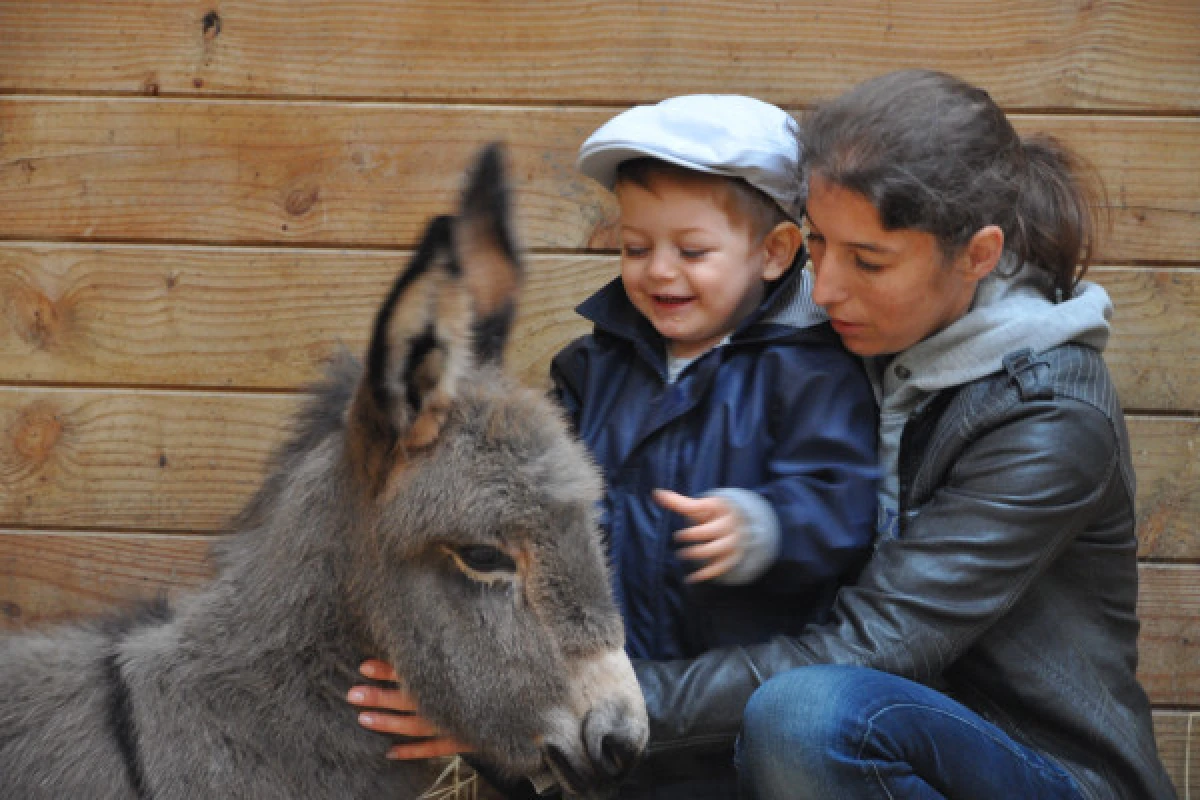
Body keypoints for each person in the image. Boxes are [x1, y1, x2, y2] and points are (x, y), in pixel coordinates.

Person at [630, 70, 1178, 799]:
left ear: (978, 255)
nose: (823, 288)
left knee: (806, 715)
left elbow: (874, 652)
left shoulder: (1051, 418)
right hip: (883, 750)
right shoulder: (846, 343)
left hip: (1045, 773)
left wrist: (600, 705)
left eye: (868, 260)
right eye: (819, 243)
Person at [350, 94, 881, 798]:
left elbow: (845, 497)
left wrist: (769, 524)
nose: (659, 271)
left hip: (725, 712)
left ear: (775, 253)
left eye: (691, 251)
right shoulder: (591, 369)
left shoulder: (812, 375)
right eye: (636, 247)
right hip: (605, 676)